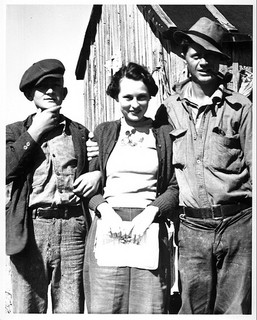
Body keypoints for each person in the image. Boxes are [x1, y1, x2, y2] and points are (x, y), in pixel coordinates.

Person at [156, 17, 252, 314]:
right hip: (192, 227)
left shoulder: (241, 107)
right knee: (192, 309)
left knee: (235, 309)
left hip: (238, 224)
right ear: (184, 55)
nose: (204, 62)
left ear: (220, 61)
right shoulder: (168, 109)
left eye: (211, 56)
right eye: (197, 54)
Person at [6, 58, 101, 313]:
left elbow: (96, 171)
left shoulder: (80, 133)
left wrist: (98, 171)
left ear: (64, 92)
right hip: (31, 231)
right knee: (28, 309)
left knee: (70, 310)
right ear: (30, 94)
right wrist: (35, 132)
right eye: (42, 87)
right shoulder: (15, 133)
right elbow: (6, 170)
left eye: (55, 85)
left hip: (73, 230)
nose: (49, 91)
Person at [83, 62, 179, 314]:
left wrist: (151, 212)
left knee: (149, 305)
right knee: (106, 305)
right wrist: (104, 210)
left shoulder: (164, 134)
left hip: (149, 226)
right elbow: (89, 183)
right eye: (127, 97)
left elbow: (174, 184)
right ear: (116, 97)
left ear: (150, 97)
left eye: (142, 97)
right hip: (108, 224)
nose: (134, 104)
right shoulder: (104, 132)